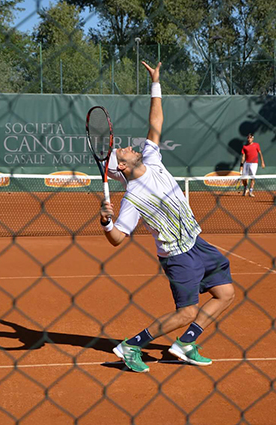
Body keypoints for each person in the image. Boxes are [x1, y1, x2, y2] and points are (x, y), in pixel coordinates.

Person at [99, 61, 235, 373]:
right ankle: (130, 345)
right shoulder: (133, 197)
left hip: (196, 241)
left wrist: (156, 83)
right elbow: (118, 238)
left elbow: (156, 121)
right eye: (121, 151)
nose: (128, 147)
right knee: (187, 311)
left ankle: (185, 344)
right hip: (177, 255)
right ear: (121, 166)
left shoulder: (151, 157)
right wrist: (106, 223)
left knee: (225, 293)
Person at [240, 133, 265, 197]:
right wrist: (241, 165)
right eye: (248, 137)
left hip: (254, 163)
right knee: (244, 178)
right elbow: (243, 157)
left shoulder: (256, 145)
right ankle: (246, 188)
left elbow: (260, 153)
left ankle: (251, 191)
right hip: (246, 163)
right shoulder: (244, 147)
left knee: (252, 178)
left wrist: (262, 162)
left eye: (250, 137)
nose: (249, 139)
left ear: (252, 138)